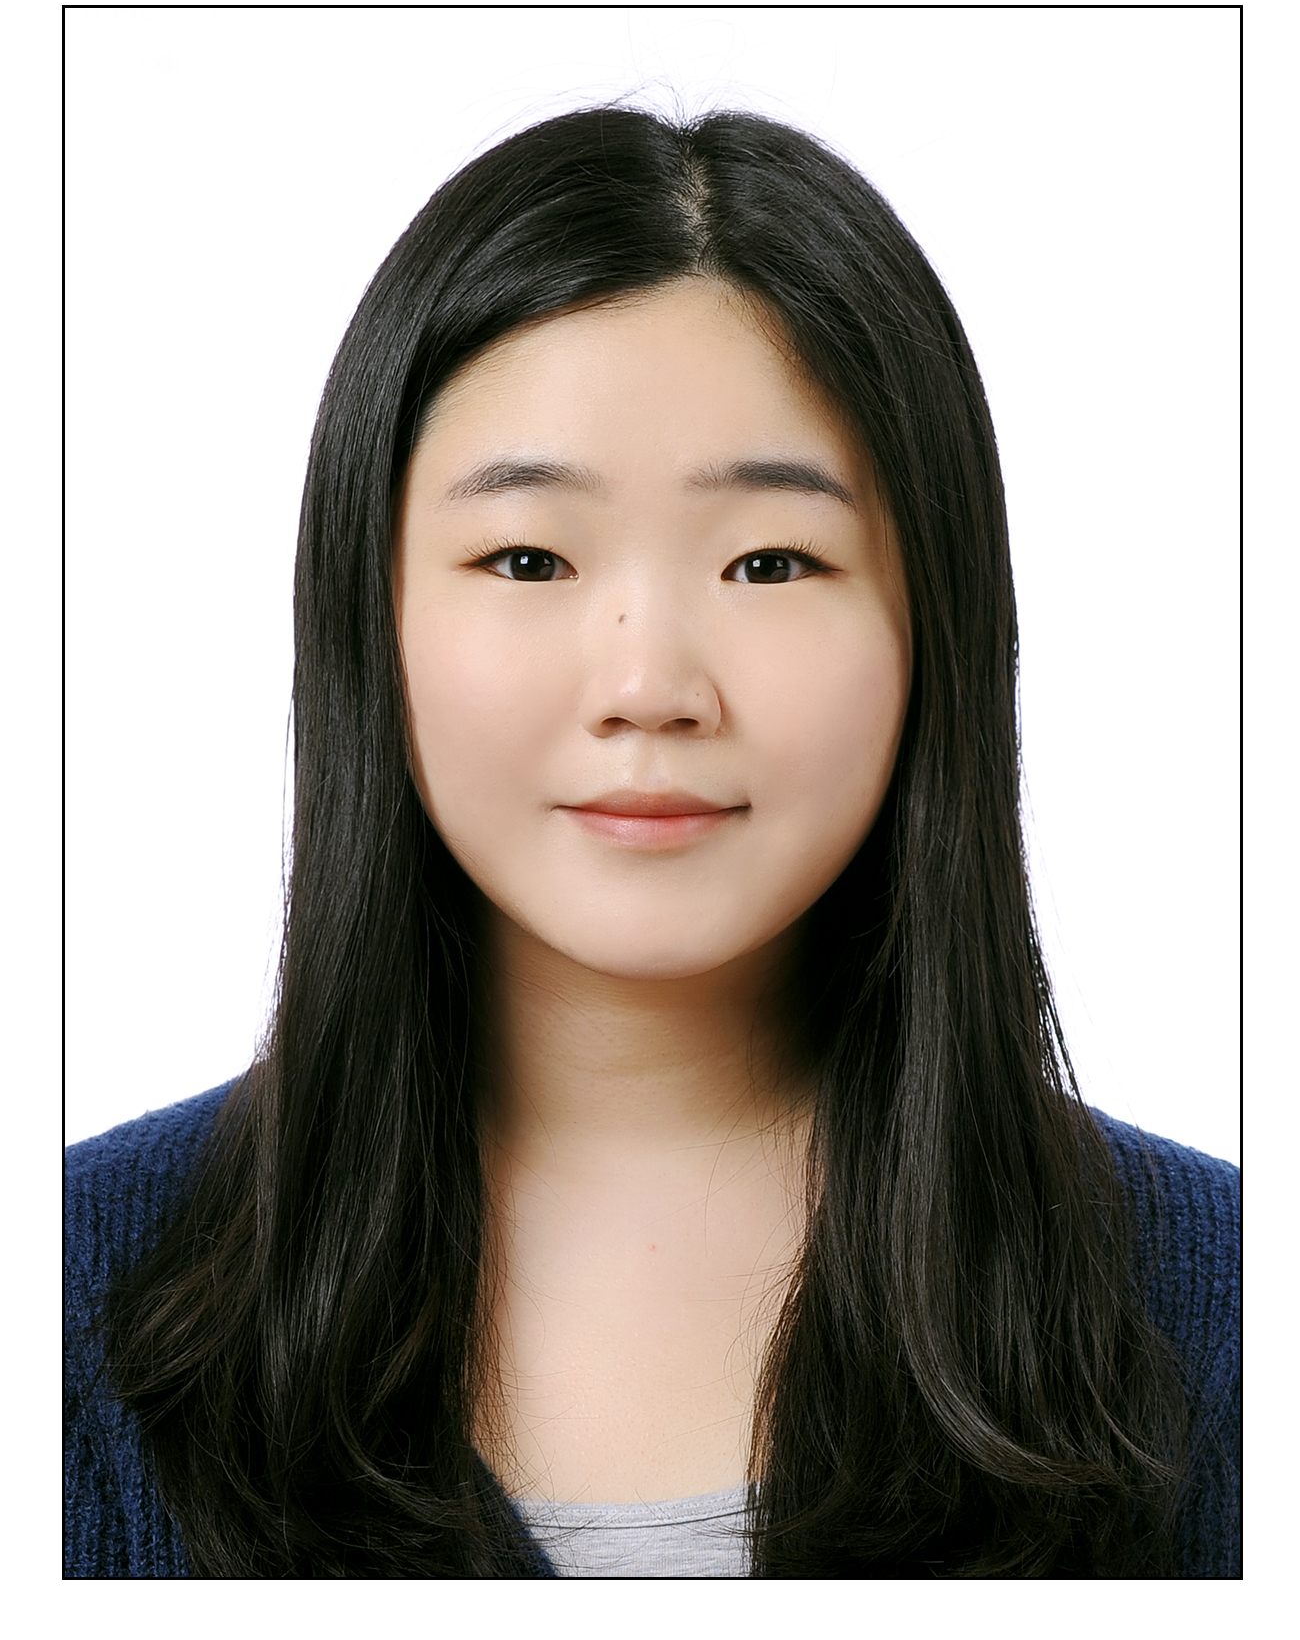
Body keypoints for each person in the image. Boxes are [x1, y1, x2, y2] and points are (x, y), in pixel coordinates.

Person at [64, 100, 1240, 1579]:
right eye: (528, 557)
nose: (648, 684)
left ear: (936, 622)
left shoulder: (1229, 1313)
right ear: (371, 614)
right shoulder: (69, 1300)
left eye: (771, 560)